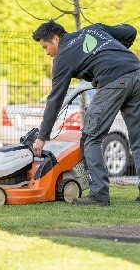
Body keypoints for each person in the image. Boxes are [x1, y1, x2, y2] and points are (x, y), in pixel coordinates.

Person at [32, 20, 140, 205]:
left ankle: (99, 195)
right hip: (136, 73)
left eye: (46, 47)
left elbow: (55, 99)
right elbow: (130, 31)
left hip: (114, 81)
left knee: (91, 137)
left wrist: (42, 137)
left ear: (56, 39)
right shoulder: (94, 29)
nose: (47, 53)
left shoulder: (63, 57)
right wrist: (114, 54)